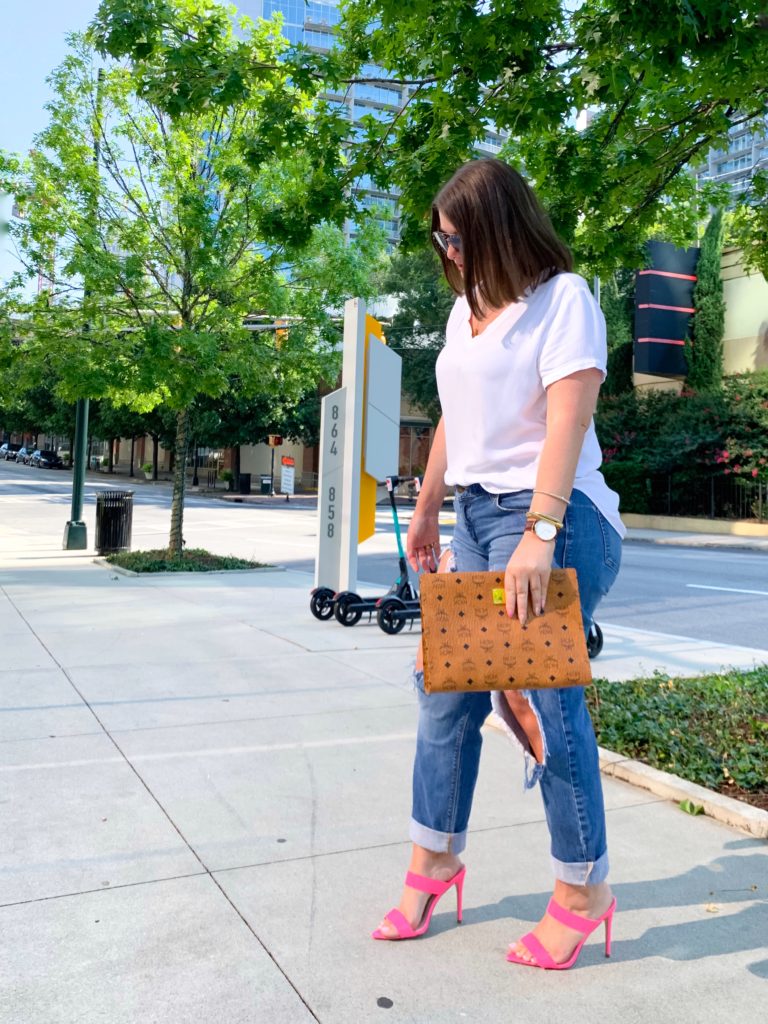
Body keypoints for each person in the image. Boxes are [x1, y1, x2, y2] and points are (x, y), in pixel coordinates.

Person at [372, 158, 624, 970]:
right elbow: (455, 416)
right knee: (443, 692)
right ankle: (435, 860)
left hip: (555, 513)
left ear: (495, 229)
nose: (446, 252)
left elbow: (566, 423)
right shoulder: (465, 312)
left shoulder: (564, 301)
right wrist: (422, 508)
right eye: (441, 240)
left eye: (454, 237)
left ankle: (583, 890)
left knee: (551, 702)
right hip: (478, 513)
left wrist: (540, 536)